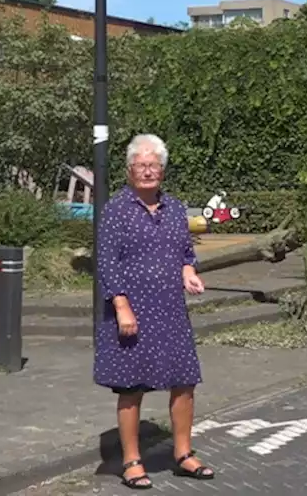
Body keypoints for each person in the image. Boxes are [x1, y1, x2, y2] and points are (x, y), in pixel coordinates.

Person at [94, 133, 215, 489]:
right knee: (132, 387)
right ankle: (131, 461)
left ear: (162, 170)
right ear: (130, 170)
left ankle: (183, 454)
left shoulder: (176, 209)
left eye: (154, 165)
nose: (148, 171)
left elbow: (184, 252)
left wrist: (188, 272)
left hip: (170, 310)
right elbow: (107, 263)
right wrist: (121, 306)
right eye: (141, 165)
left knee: (184, 382)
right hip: (130, 310)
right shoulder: (115, 210)